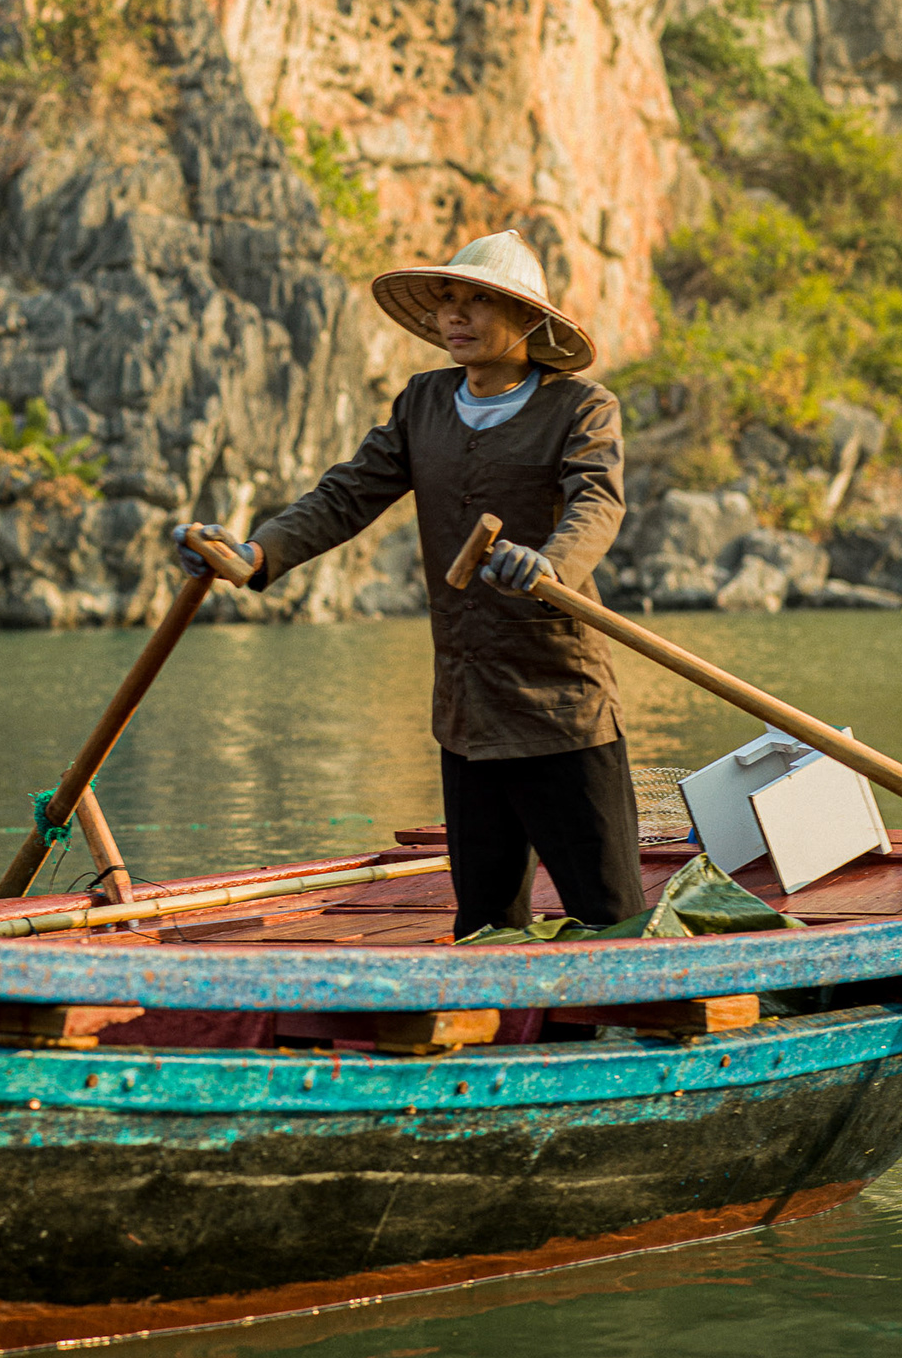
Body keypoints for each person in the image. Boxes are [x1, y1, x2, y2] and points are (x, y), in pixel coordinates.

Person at [173, 230, 644, 941]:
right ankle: (498, 1041)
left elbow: (596, 502)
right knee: (485, 924)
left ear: (529, 320)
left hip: (560, 703)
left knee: (612, 918)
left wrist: (549, 563)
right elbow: (346, 495)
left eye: (480, 301)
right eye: (449, 300)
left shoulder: (580, 407)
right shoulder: (424, 402)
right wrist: (253, 553)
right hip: (466, 709)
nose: (455, 315)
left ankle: (632, 1026)